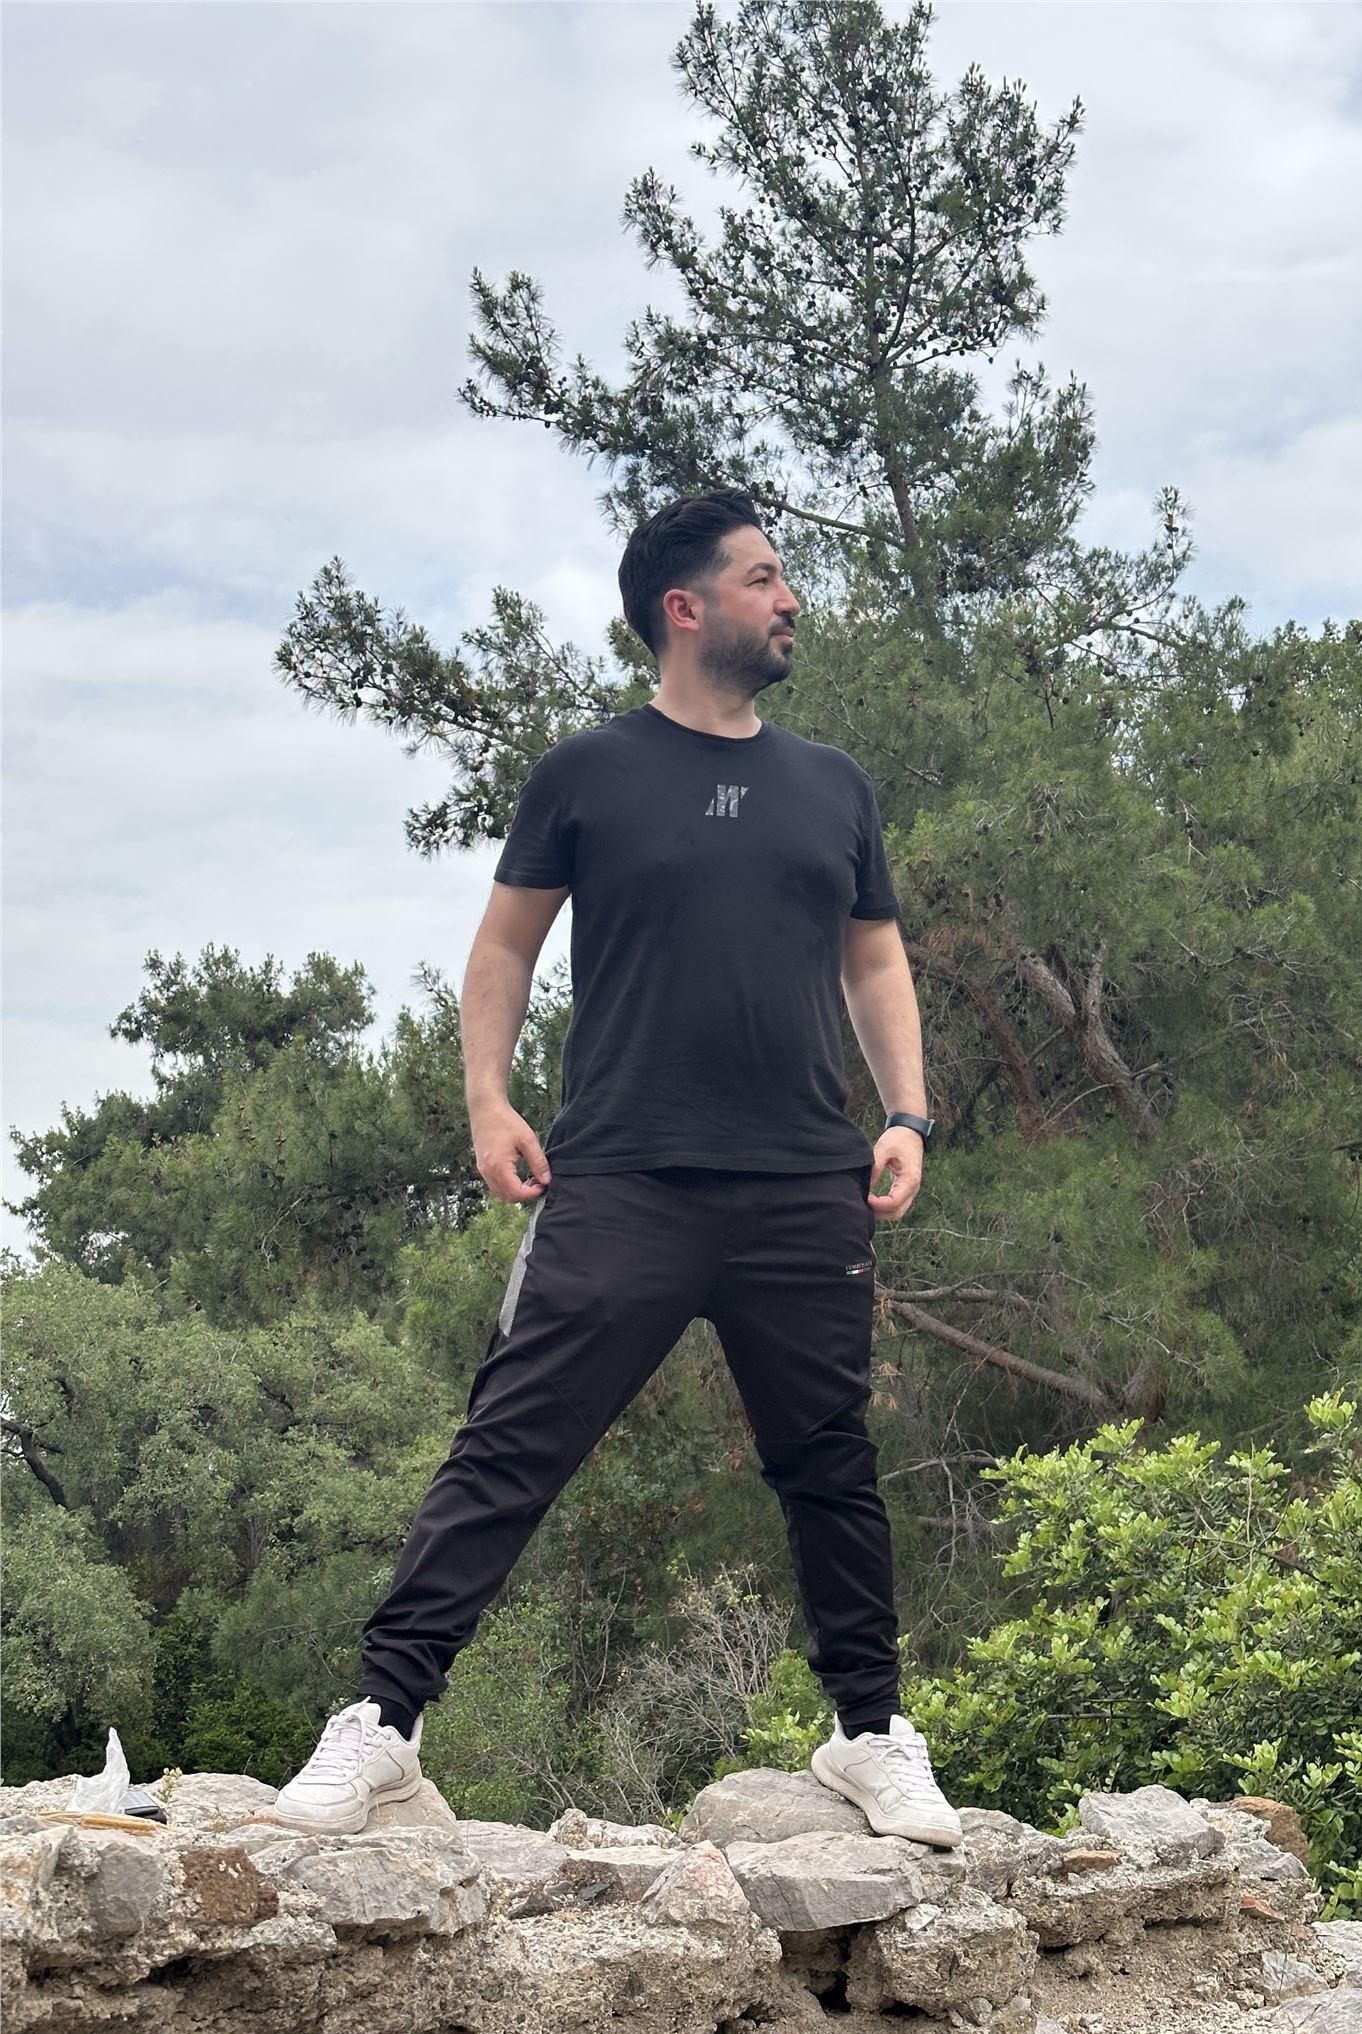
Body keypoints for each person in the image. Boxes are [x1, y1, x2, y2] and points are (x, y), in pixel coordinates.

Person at [274, 488, 960, 1848]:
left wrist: (909, 1113)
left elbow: (874, 956)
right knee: (510, 1445)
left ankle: (870, 1734)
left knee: (829, 1465)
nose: (791, 599)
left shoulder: (834, 785)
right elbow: (504, 947)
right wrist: (487, 1100)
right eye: (764, 579)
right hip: (622, 1178)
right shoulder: (587, 774)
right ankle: (385, 1724)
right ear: (684, 608)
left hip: (800, 1186)